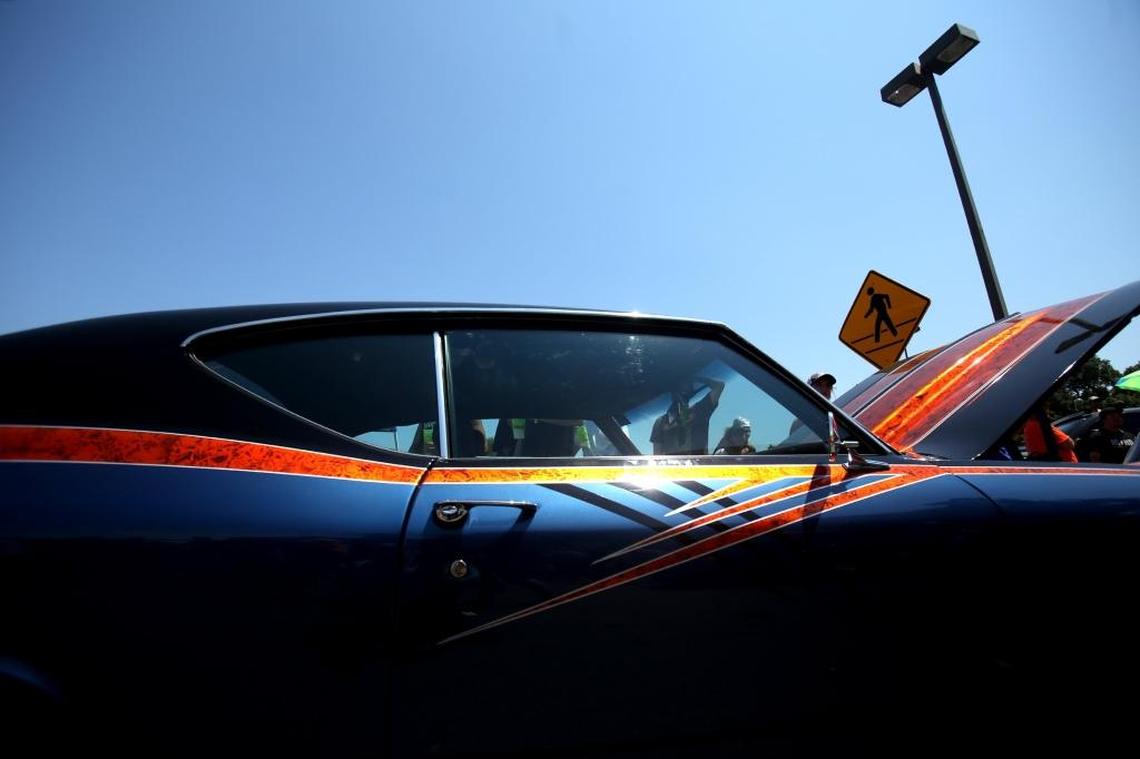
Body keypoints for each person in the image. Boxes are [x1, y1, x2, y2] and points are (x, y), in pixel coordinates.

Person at [650, 376, 724, 455]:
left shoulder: (700, 410)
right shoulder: (661, 422)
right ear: (672, 393)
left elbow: (719, 386)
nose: (680, 395)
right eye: (678, 390)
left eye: (687, 388)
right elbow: (657, 456)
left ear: (690, 393)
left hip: (699, 465)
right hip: (673, 466)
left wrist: (697, 377)